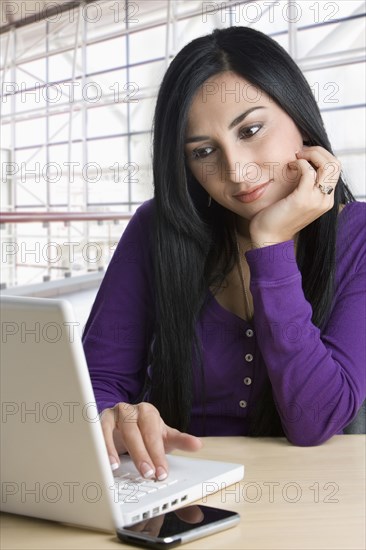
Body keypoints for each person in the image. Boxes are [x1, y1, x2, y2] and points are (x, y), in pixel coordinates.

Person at [82, 26, 366, 482]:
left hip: (313, 493)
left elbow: (316, 420)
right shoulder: (157, 229)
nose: (237, 171)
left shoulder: (360, 236)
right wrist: (114, 418)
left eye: (251, 130)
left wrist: (269, 245)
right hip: (173, 488)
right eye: (204, 151)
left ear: (299, 113)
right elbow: (96, 382)